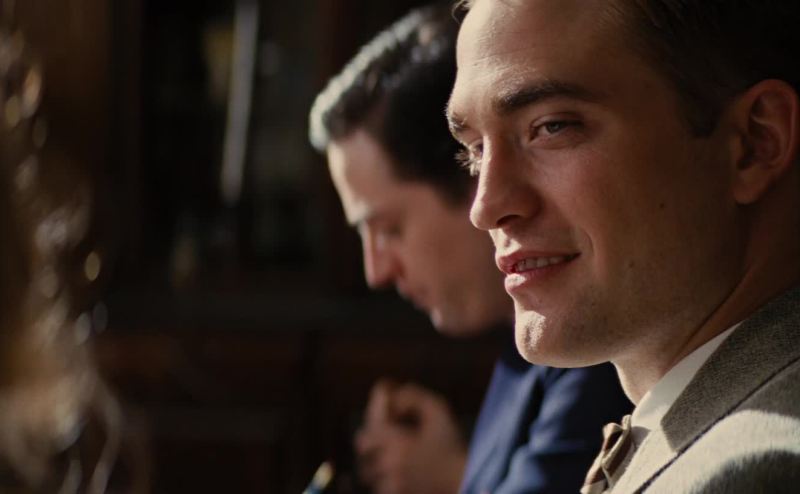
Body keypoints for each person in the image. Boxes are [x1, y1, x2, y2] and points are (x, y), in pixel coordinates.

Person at [447, 0, 800, 492]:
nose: (486, 208)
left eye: (552, 126)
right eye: (475, 150)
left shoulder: (753, 472)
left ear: (754, 143)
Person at [309, 4, 631, 493]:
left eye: (388, 229)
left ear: (468, 181)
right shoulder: (526, 349)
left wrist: (449, 477)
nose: (376, 271)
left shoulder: (591, 347)